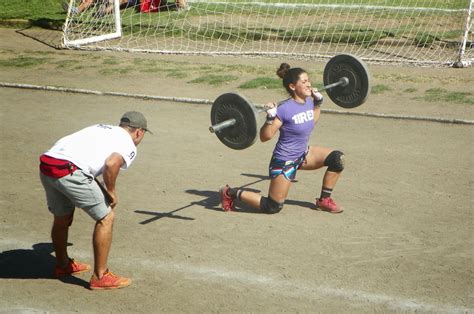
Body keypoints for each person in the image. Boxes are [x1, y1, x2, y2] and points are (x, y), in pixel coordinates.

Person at [39, 111, 151, 290]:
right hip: (70, 170)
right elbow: (111, 164)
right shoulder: (128, 143)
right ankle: (101, 276)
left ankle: (62, 265)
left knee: (62, 218)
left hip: (48, 164)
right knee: (106, 217)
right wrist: (111, 191)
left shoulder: (100, 127)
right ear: (139, 132)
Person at [219, 63, 345, 215]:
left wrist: (318, 104)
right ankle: (230, 192)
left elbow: (311, 122)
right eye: (304, 82)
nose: (309, 84)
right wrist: (270, 118)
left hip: (303, 154)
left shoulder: (308, 102)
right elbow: (265, 137)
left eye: (308, 81)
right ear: (292, 86)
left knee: (337, 159)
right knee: (272, 206)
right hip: (284, 161)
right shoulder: (284, 110)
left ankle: (324, 200)